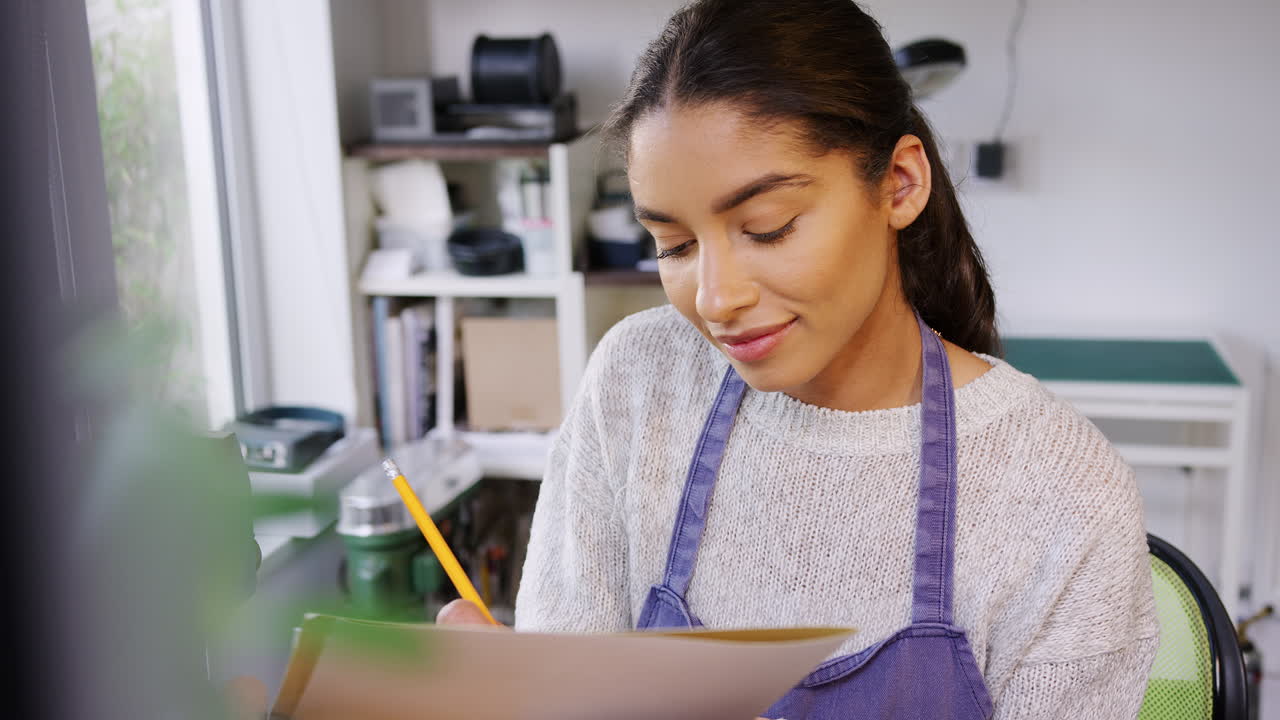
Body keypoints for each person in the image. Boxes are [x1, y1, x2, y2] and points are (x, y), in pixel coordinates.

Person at [440, 0, 1159, 717]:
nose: (717, 299)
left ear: (899, 184)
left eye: (768, 228)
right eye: (675, 246)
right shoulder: (637, 381)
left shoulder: (1062, 494)